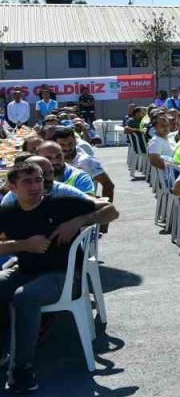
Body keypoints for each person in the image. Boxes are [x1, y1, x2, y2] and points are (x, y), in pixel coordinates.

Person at [0, 161, 118, 392]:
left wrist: (77, 221)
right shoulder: (8, 212)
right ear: (12, 188)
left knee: (25, 297)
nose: (35, 186)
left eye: (38, 180)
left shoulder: (61, 203)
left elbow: (111, 210)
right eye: (27, 182)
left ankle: (22, 369)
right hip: (25, 269)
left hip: (62, 275)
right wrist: (24, 245)